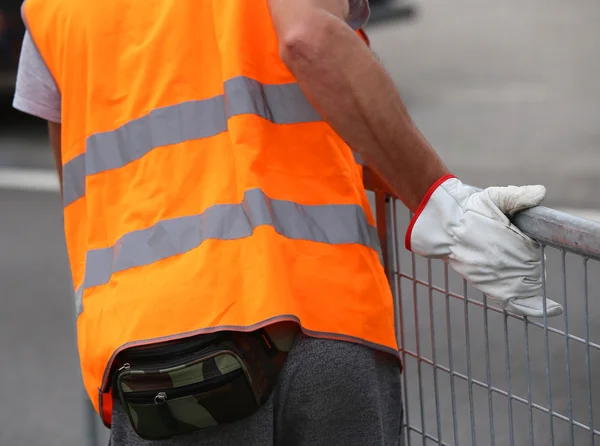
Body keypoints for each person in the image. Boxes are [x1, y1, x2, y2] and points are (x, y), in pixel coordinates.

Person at [13, 0, 562, 444]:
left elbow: (82, 175)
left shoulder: (48, 11)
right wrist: (441, 201)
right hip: (317, 317)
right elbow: (309, 39)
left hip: (155, 356)